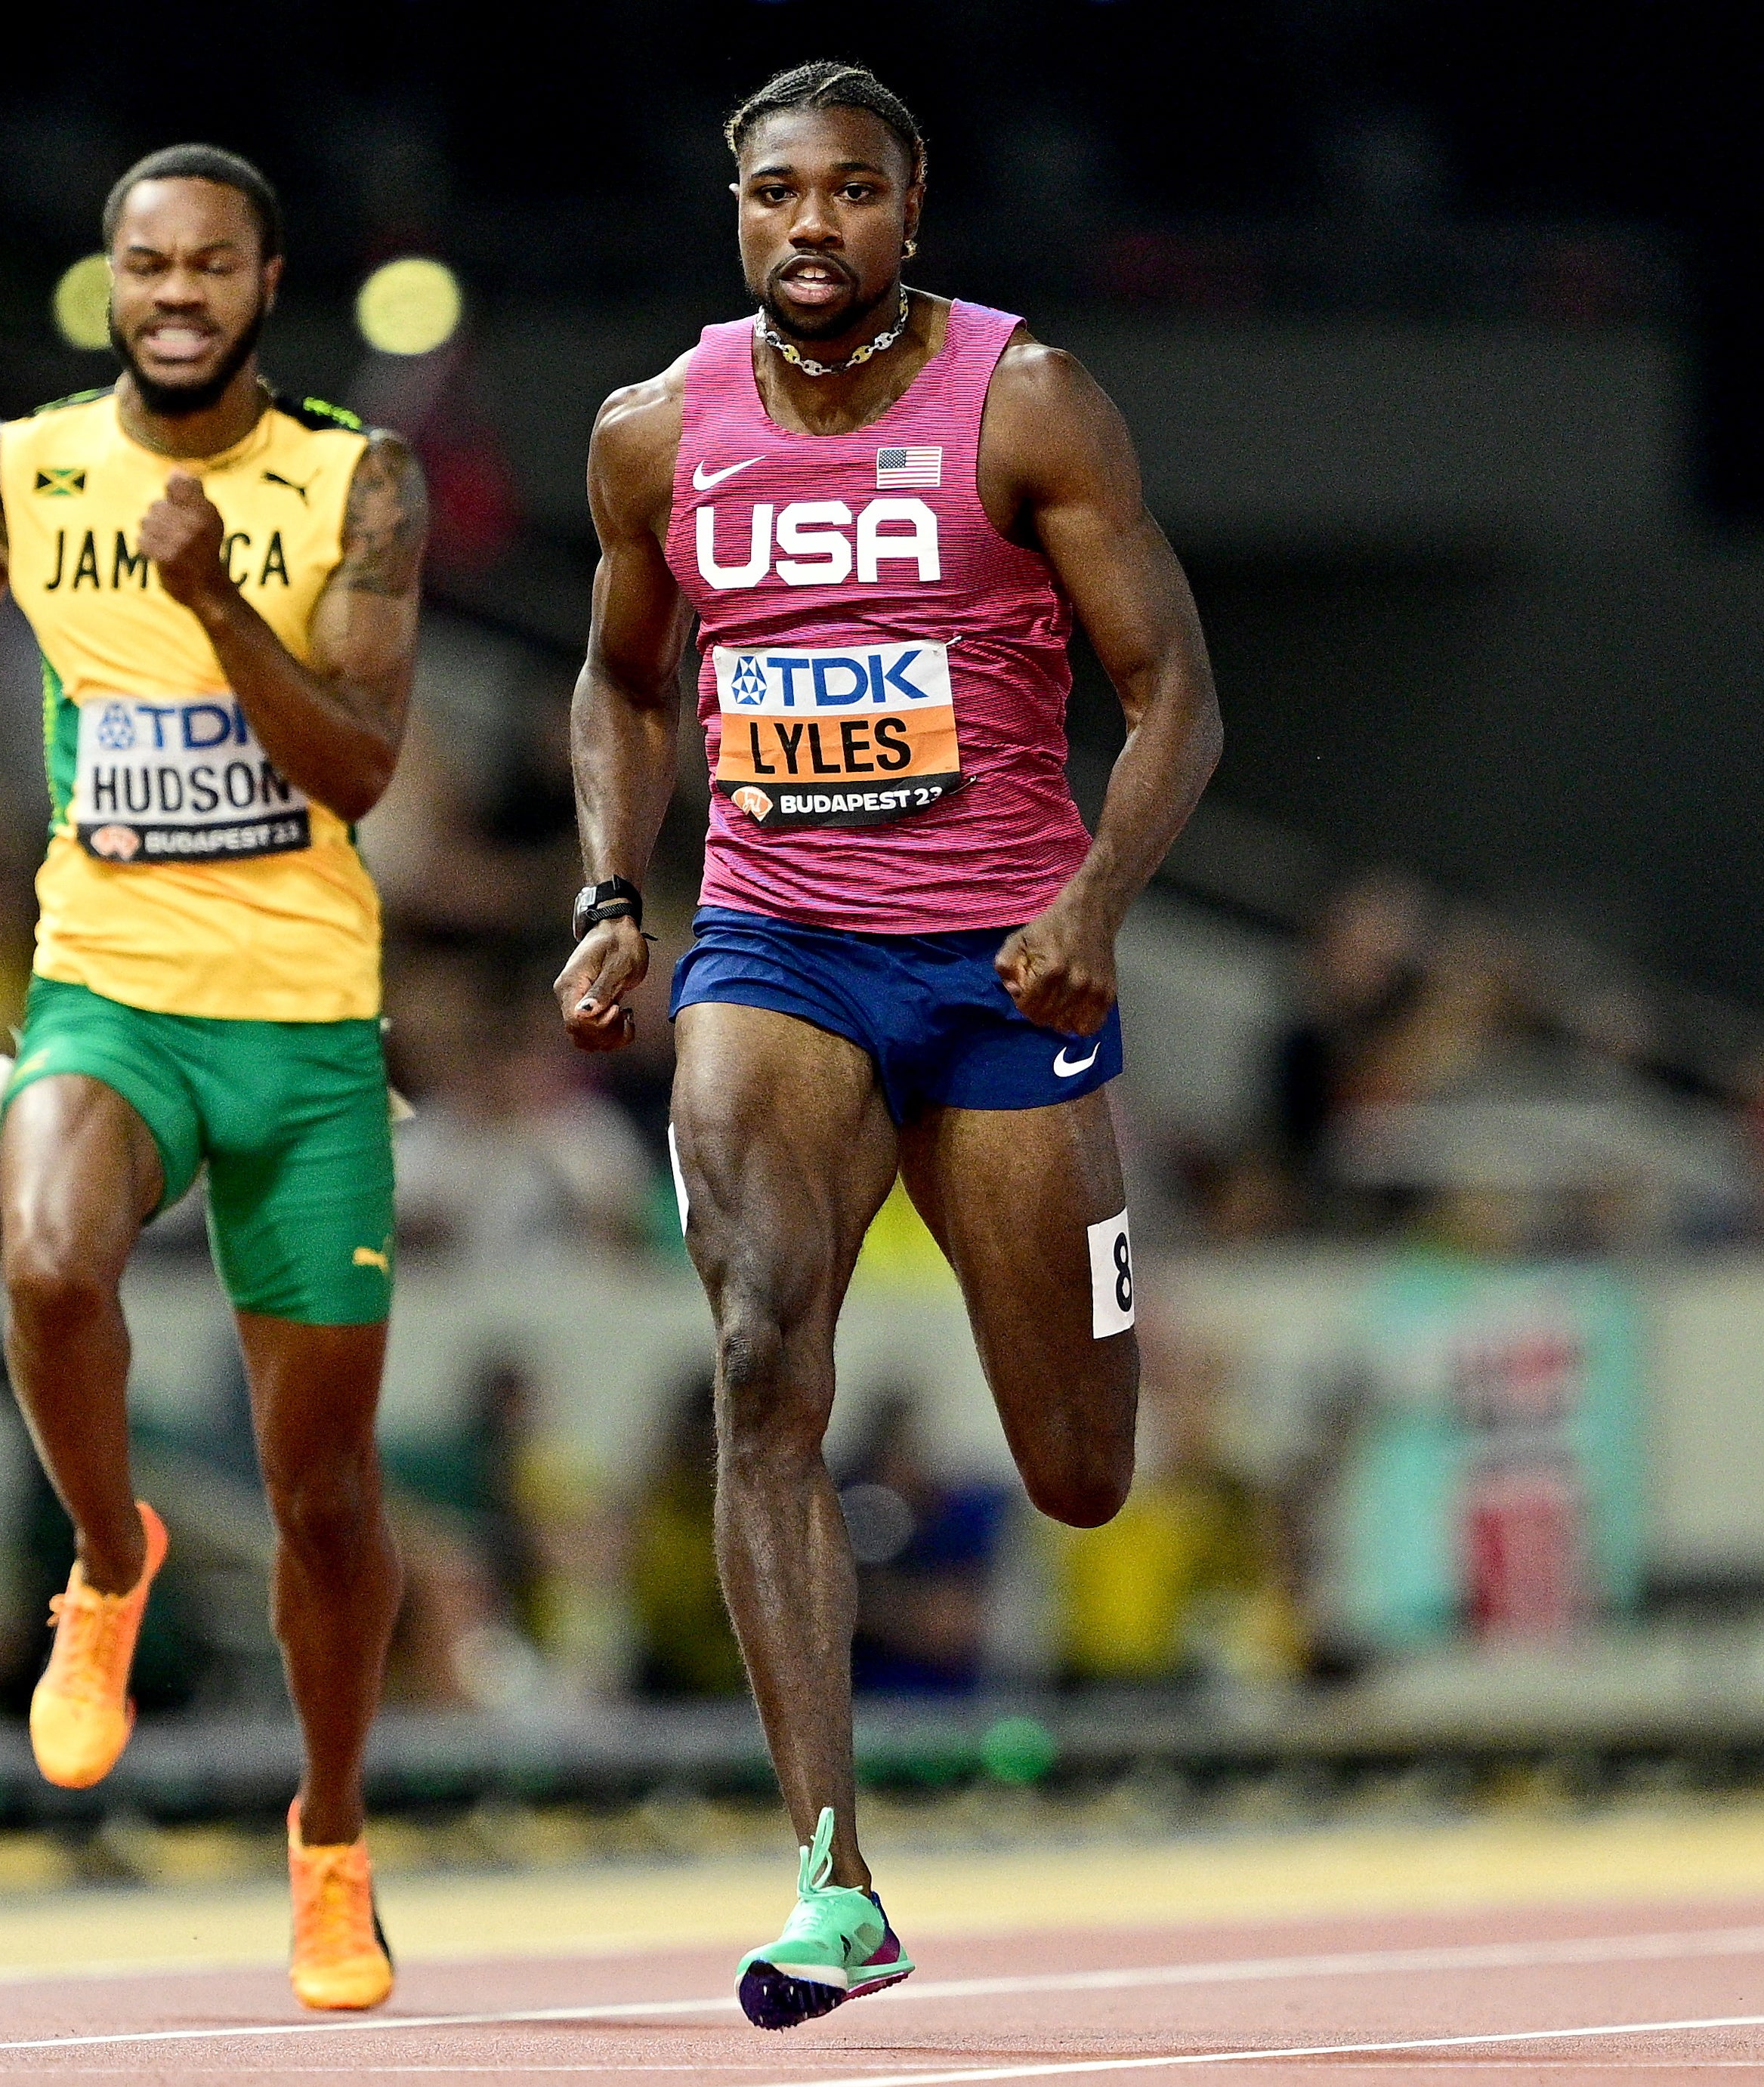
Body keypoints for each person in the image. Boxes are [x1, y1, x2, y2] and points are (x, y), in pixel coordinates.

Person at [551, 62, 1224, 2027]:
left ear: (909, 207)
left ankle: (1075, 1356)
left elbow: (1173, 691)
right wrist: (612, 888)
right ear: (733, 211)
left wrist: (1092, 901)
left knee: (1080, 1471)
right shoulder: (653, 432)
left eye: (850, 192)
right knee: (761, 1348)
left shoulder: (1024, 402)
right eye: (774, 195)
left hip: (1003, 971)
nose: (810, 228)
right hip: (776, 947)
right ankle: (827, 1875)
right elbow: (612, 684)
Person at [0, 144, 425, 2013]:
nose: (176, 294)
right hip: (110, 990)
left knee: (321, 1494)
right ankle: (107, 1559)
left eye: (211, 266)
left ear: (263, 281)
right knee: (45, 1265)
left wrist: (226, 602)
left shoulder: (353, 482)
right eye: (145, 265)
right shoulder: (12, 469)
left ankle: (330, 1842)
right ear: (109, 280)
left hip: (309, 1034)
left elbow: (363, 765)